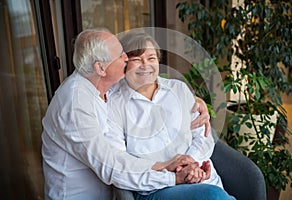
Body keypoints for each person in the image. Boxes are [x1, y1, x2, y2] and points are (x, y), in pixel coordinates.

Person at [41, 28, 212, 200]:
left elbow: (150, 85)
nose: (126, 58)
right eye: (122, 55)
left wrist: (195, 100)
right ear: (100, 68)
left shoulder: (100, 86)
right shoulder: (75, 105)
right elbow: (112, 166)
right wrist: (172, 176)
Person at [106, 31, 236, 199]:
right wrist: (174, 174)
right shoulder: (113, 104)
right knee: (214, 196)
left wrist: (191, 163)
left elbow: (203, 136)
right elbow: (121, 163)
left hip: (201, 177)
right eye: (137, 60)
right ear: (124, 63)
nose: (146, 65)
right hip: (157, 187)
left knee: (216, 194)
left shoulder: (179, 89)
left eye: (151, 58)